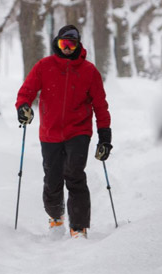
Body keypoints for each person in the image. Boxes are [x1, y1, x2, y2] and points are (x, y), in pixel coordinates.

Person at [15, 24, 112, 239]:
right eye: (63, 43)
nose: (67, 48)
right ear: (57, 44)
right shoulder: (44, 66)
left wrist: (105, 137)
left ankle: (78, 227)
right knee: (52, 178)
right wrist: (23, 107)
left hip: (79, 131)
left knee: (75, 175)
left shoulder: (89, 71)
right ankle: (56, 216)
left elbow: (101, 106)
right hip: (49, 133)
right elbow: (27, 91)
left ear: (78, 46)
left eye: (72, 44)